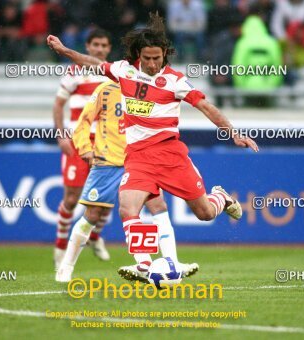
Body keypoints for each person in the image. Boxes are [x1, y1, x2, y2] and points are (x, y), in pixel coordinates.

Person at [47, 13, 258, 282]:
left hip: (170, 155)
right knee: (127, 207)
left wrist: (233, 133)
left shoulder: (175, 81)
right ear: (139, 55)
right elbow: (94, 63)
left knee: (204, 213)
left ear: (164, 56)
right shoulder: (125, 70)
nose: (151, 63)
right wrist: (65, 51)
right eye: (146, 58)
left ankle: (222, 198)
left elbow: (205, 106)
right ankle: (146, 265)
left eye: (156, 58)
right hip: (138, 158)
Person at [56, 81, 196, 282]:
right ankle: (66, 267)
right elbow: (83, 121)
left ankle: (165, 262)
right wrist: (84, 146)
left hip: (141, 160)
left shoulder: (148, 89)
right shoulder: (106, 89)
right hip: (108, 162)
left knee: (158, 205)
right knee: (92, 215)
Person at [52, 29, 111, 270]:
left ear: (108, 48)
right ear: (87, 46)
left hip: (107, 145)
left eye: (103, 44)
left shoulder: (113, 74)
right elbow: (58, 104)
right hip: (78, 144)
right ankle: (60, 247)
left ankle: (95, 238)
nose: (99, 48)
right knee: (72, 198)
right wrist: (60, 135)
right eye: (95, 44)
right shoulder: (74, 72)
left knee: (105, 199)